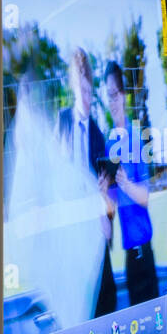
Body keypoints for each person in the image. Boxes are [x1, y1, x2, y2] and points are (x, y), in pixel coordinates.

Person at [57, 49, 118, 317]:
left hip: (95, 233)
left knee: (106, 300)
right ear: (73, 86)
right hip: (71, 236)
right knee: (79, 309)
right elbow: (55, 181)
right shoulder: (60, 124)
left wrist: (105, 205)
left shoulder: (98, 136)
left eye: (89, 89)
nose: (86, 95)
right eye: (80, 88)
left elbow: (108, 199)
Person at [103, 62, 158, 305]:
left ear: (124, 95)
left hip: (145, 253)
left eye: (115, 94)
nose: (112, 101)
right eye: (108, 96)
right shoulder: (109, 145)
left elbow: (146, 198)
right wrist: (105, 193)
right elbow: (111, 210)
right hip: (128, 256)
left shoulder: (137, 139)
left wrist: (124, 183)